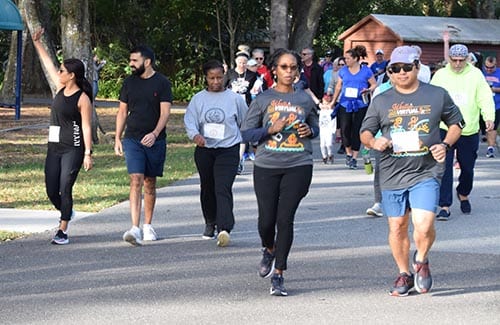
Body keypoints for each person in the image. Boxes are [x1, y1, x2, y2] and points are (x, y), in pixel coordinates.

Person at [360, 45, 464, 296]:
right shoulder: (381, 100)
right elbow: (364, 132)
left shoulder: (437, 94)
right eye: (395, 69)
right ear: (390, 72)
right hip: (392, 172)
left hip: (425, 170)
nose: (401, 73)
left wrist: (445, 144)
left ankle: (422, 258)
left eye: (407, 67)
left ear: (417, 67)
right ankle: (404, 273)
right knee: (397, 226)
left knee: (424, 224)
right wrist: (374, 142)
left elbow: (456, 123)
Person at [241, 48, 319, 296]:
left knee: (285, 219)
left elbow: (315, 124)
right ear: (274, 69)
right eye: (284, 67)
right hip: (267, 165)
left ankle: (279, 274)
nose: (289, 71)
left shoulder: (305, 99)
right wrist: (269, 130)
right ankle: (269, 248)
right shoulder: (263, 99)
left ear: (298, 70)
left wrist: (311, 131)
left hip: (298, 164)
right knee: (266, 221)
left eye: (293, 67)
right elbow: (245, 133)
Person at [31, 28, 94, 245]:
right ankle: (67, 210)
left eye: (62, 70)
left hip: (73, 148)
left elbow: (86, 126)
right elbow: (48, 64)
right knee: (51, 190)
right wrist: (38, 43)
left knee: (65, 187)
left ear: (71, 75)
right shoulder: (59, 88)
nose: (58, 73)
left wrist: (87, 153)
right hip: (54, 148)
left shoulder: (82, 98)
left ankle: (62, 230)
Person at [184, 60, 248, 247]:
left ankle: (224, 227)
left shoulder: (235, 99)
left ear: (225, 76)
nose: (215, 81)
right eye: (211, 78)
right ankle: (210, 222)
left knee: (223, 186)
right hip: (205, 150)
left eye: (219, 77)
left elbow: (246, 120)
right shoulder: (198, 99)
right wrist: (195, 135)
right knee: (207, 187)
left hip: (228, 149)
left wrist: (248, 141)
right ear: (206, 78)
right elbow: (190, 121)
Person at [115, 45, 173, 246]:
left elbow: (165, 112)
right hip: (132, 139)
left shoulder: (162, 83)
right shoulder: (129, 83)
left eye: (134, 61)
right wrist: (117, 138)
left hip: (155, 140)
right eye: (130, 61)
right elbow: (122, 112)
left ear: (147, 62)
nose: (131, 65)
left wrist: (155, 133)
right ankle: (135, 227)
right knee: (136, 179)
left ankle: (148, 225)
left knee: (149, 182)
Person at [431, 44, 495, 221]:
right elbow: (431, 97)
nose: (458, 64)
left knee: (467, 168)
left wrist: (488, 117)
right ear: (449, 59)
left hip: (469, 129)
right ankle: (444, 205)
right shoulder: (441, 75)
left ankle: (463, 192)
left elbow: (484, 97)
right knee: (443, 168)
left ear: (467, 59)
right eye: (454, 60)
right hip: (446, 129)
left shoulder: (475, 74)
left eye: (461, 60)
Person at [325, 45, 377, 169]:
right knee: (345, 130)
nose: (345, 61)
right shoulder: (343, 71)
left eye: (348, 58)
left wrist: (368, 90)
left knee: (357, 130)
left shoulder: (366, 70)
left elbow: (374, 84)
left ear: (355, 59)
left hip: (360, 104)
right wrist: (332, 102)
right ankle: (348, 152)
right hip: (344, 104)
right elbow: (338, 87)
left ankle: (354, 157)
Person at [224, 52, 257, 173]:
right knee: (232, 131)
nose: (242, 65)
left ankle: (239, 160)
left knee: (243, 132)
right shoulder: (230, 73)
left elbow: (258, 88)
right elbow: (223, 88)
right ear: (236, 62)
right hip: (231, 106)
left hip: (246, 106)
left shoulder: (252, 75)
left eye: (244, 63)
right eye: (240, 62)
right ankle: (230, 157)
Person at [482, 56, 500, 158]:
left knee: (492, 127)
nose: (489, 70)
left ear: (495, 65)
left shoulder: (499, 73)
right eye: (487, 67)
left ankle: (490, 149)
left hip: (496, 105)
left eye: (491, 68)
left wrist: (494, 89)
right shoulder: (480, 73)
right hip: (481, 105)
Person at [319, 94, 336, 164]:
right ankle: (324, 156)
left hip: (329, 130)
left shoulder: (331, 112)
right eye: (324, 103)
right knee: (322, 145)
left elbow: (334, 120)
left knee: (329, 144)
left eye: (327, 103)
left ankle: (330, 154)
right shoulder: (321, 111)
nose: (325, 105)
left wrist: (333, 130)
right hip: (322, 130)